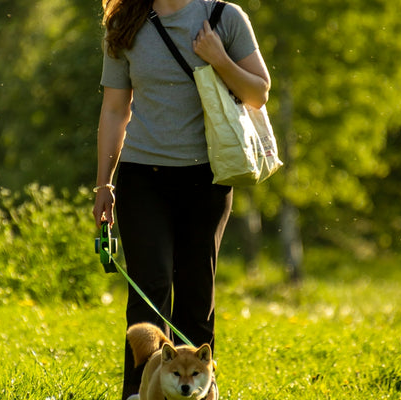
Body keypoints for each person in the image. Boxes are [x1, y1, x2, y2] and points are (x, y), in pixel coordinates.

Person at [92, 0, 270, 398]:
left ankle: (199, 391)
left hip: (207, 177)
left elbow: (258, 92)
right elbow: (115, 108)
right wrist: (104, 185)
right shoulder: (125, 23)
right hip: (142, 177)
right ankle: (138, 392)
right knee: (149, 288)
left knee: (196, 293)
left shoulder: (225, 18)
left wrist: (219, 58)